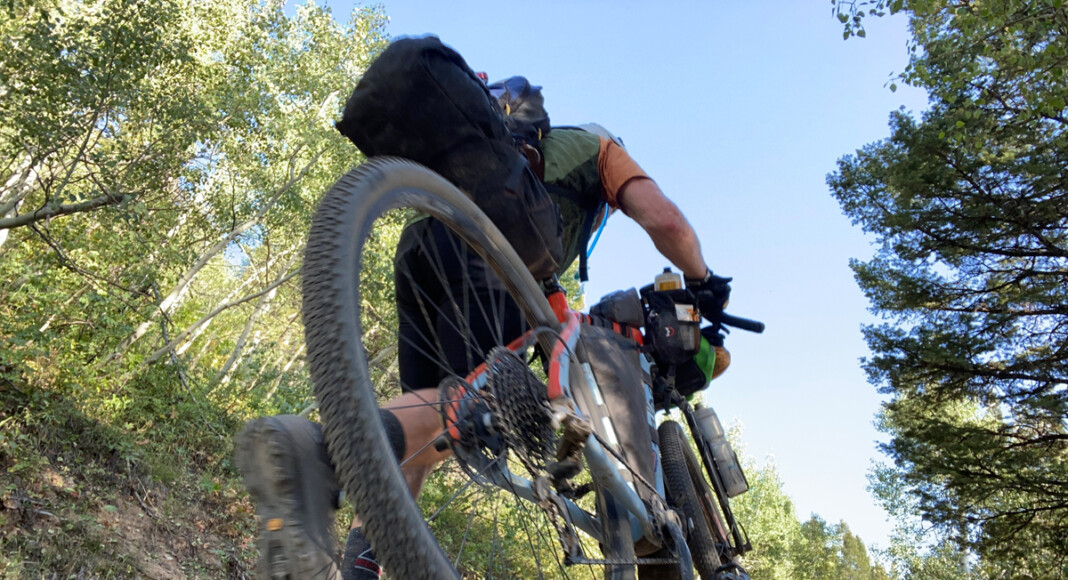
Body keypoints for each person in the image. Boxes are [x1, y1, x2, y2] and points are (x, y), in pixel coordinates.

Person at [235, 36, 732, 580]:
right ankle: (320, 453)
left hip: (425, 245)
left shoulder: (515, 156)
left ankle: (356, 568)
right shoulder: (600, 149)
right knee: (486, 401)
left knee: (434, 417)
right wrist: (703, 282)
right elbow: (667, 222)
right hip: (496, 251)